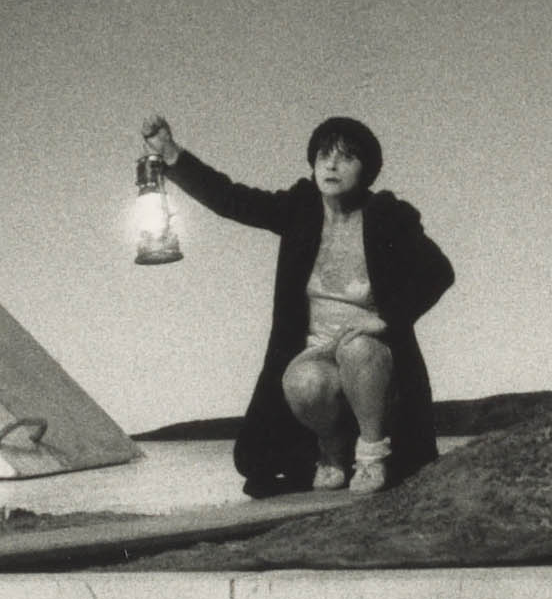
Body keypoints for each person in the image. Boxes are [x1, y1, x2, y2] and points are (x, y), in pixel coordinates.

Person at [139, 113, 455, 497]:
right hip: (318, 355)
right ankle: (333, 448)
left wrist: (388, 320)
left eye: (346, 157)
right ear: (313, 164)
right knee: (302, 385)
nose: (332, 166)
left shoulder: (387, 217)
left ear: (367, 170)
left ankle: (373, 454)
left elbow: (439, 271)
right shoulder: (300, 210)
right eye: (324, 156)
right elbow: (231, 199)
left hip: (375, 364)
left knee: (358, 349)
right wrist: (172, 153)